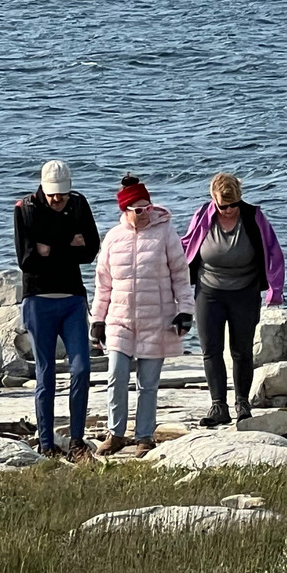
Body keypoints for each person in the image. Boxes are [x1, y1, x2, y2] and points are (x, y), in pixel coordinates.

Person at [90, 175, 195, 458]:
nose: (145, 214)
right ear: (125, 211)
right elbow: (103, 284)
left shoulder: (165, 234)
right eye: (138, 210)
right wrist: (97, 320)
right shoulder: (113, 238)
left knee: (148, 383)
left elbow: (180, 275)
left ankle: (145, 436)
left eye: (148, 207)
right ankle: (115, 434)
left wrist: (185, 310)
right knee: (116, 376)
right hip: (119, 320)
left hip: (156, 319)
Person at [181, 173, 285, 427]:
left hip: (245, 292)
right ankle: (218, 405)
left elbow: (274, 252)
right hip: (209, 292)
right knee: (211, 349)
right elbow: (187, 245)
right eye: (222, 206)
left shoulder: (253, 217)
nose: (228, 210)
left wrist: (275, 290)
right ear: (213, 200)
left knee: (241, 351)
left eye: (233, 205)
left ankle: (242, 403)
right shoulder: (203, 216)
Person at [14, 160, 100, 463]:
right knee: (46, 373)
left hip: (73, 298)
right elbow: (27, 260)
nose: (57, 199)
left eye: (61, 194)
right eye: (52, 195)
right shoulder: (25, 208)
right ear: (43, 189)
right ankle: (46, 443)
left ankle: (77, 442)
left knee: (82, 369)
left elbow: (89, 251)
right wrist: (68, 244)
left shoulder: (78, 204)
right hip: (38, 299)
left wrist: (50, 248)